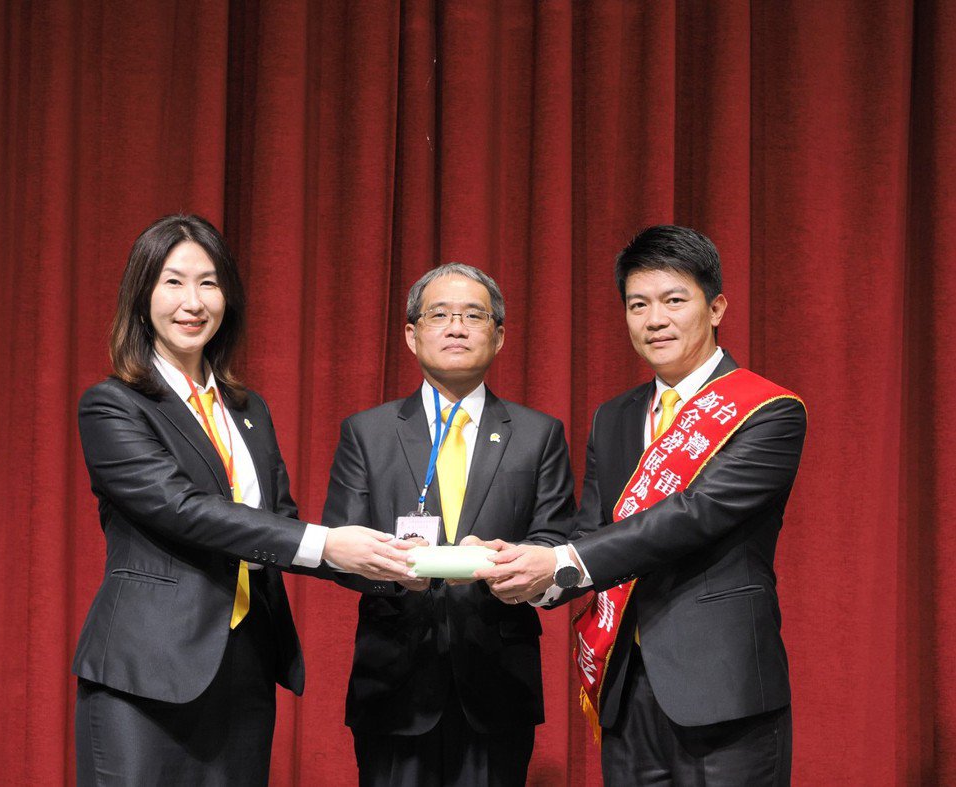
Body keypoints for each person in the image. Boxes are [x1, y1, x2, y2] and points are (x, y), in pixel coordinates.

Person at [72, 214, 413, 785]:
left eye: (208, 283)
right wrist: (329, 543)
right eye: (173, 282)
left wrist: (391, 565)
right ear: (142, 297)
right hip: (144, 673)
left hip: (244, 669)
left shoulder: (248, 410)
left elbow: (279, 525)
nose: (193, 302)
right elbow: (180, 508)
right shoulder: (113, 405)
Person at [475, 226, 806, 785]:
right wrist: (523, 570)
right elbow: (589, 530)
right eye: (638, 305)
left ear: (716, 308)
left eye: (674, 300)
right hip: (625, 687)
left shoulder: (768, 410)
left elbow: (694, 514)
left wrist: (559, 562)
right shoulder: (615, 416)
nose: (655, 320)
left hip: (723, 686)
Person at [321, 263, 576, 786]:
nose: (456, 327)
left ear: (499, 336)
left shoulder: (539, 434)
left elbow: (555, 540)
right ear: (411, 335)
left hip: (498, 680)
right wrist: (394, 574)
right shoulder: (367, 432)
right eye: (439, 315)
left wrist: (508, 564)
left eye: (473, 316)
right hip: (394, 682)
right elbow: (340, 549)